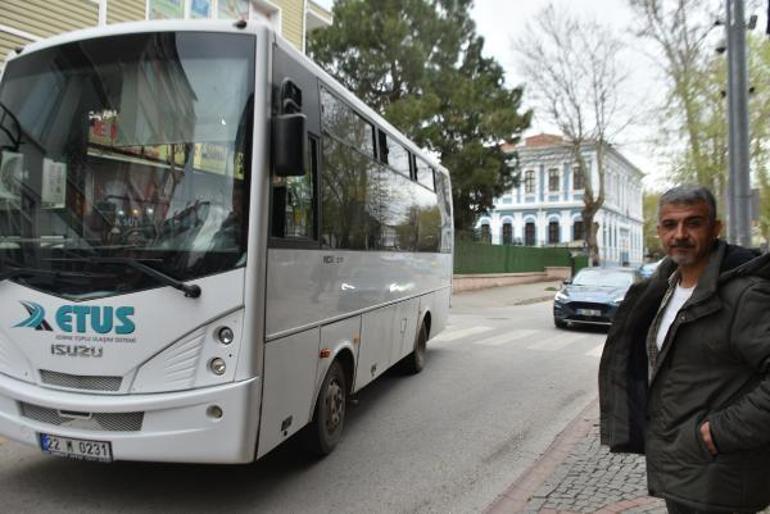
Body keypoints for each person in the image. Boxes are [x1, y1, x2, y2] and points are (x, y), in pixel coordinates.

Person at [599, 185, 770, 513]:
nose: (680, 234)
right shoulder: (665, 288)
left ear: (715, 228)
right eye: (669, 224)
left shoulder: (744, 296)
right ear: (659, 231)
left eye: (693, 223)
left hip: (722, 481)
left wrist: (720, 432)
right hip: (685, 472)